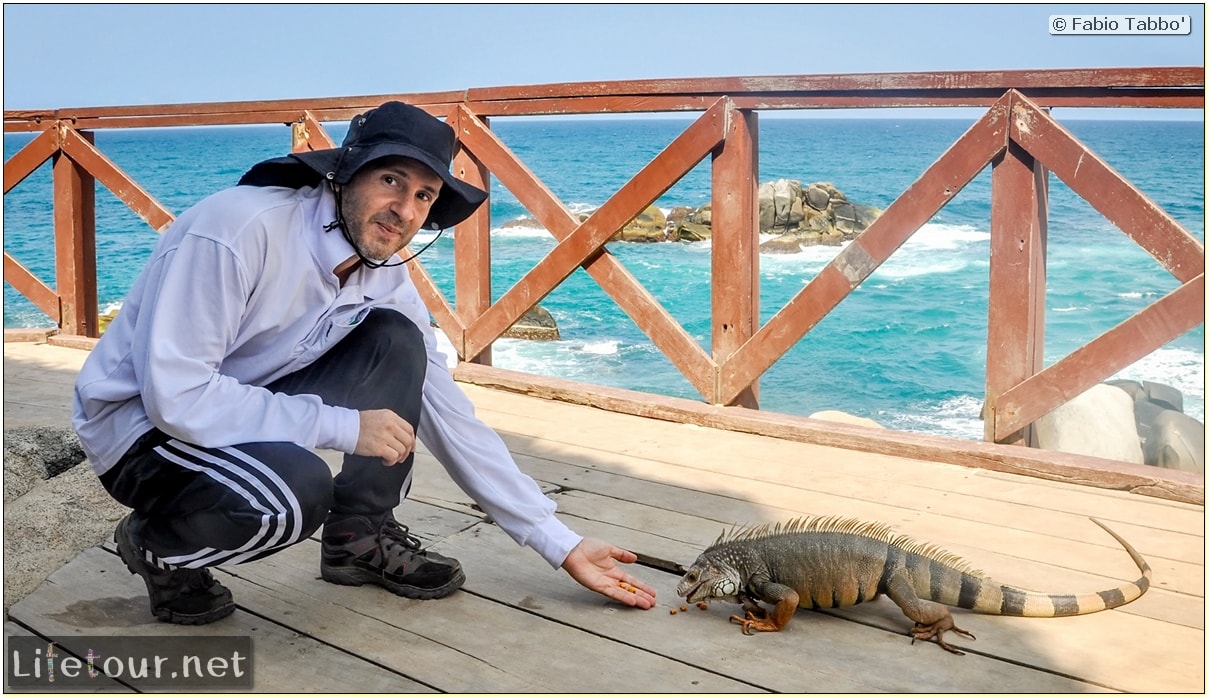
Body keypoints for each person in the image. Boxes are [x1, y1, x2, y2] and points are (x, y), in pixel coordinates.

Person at [72, 101, 657, 625]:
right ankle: (157, 542)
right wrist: (343, 427)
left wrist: (557, 541)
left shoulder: (383, 271)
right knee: (290, 498)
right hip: (141, 429)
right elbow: (178, 397)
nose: (404, 210)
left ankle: (359, 538)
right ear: (345, 174)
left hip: (240, 401)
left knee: (398, 341)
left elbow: (446, 408)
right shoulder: (237, 231)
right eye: (391, 180)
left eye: (424, 196)